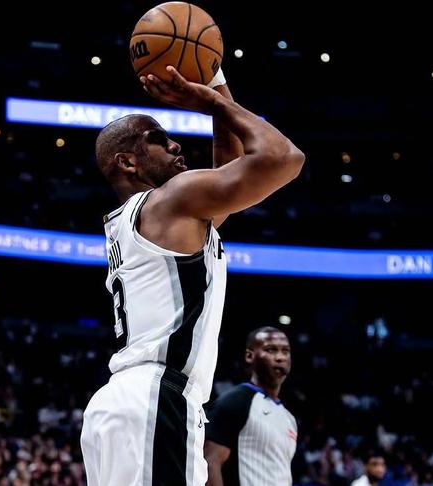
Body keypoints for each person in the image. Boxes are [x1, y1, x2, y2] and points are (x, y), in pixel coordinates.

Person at [80, 63, 305, 486]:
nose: (175, 144)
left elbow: (230, 165)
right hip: (156, 397)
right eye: (157, 139)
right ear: (127, 162)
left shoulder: (158, 216)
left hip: (125, 403)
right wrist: (210, 101)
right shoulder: (171, 200)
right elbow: (284, 159)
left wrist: (216, 78)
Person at [204, 326, 297, 486]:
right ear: (249, 356)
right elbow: (210, 463)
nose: (280, 357)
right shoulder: (235, 401)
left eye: (285, 351)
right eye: (271, 350)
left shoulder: (289, 418)